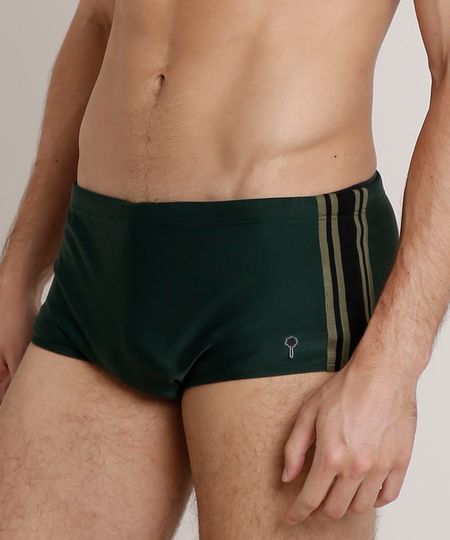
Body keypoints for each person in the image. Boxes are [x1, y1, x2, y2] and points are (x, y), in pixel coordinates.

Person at [0, 0, 449, 538]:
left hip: (284, 279)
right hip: (99, 269)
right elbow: (100, 17)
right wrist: (18, 272)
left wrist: (392, 372)